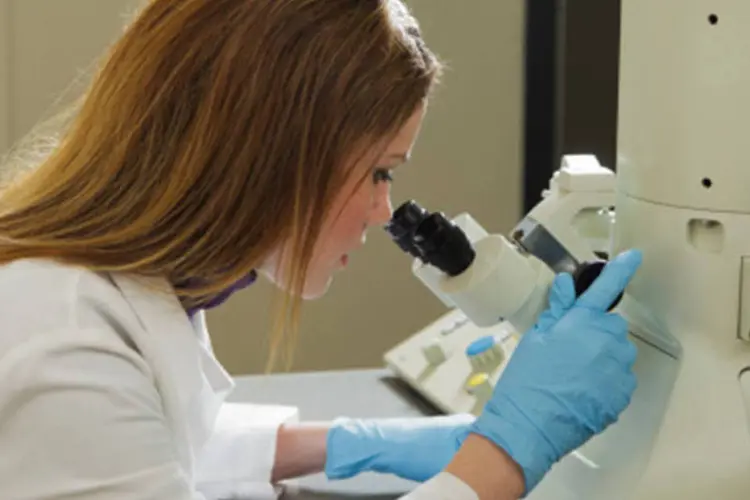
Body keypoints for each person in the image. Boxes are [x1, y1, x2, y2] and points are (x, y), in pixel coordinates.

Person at [0, 1, 641, 499]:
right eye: (379, 173)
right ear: (272, 158)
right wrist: (505, 453)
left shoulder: (117, 289)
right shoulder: (67, 343)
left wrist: (340, 445)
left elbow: (143, 447)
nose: (383, 212)